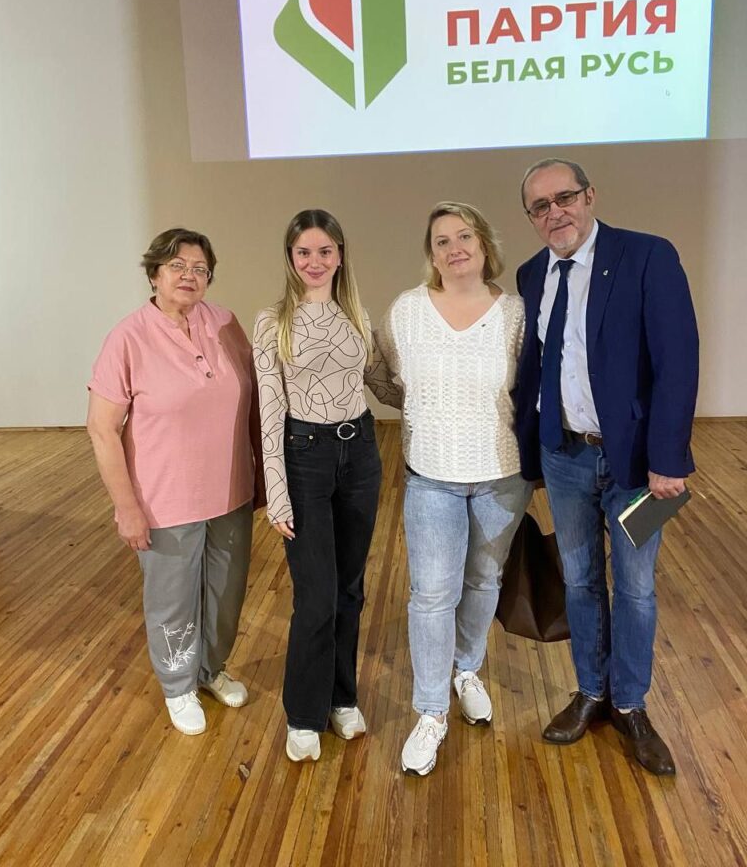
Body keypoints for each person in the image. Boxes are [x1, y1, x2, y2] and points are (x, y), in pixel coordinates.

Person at [515, 158, 698, 775]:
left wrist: (668, 460)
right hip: (564, 456)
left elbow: (677, 362)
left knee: (636, 586)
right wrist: (530, 454)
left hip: (637, 465)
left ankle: (630, 704)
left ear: (590, 196)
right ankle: (591, 691)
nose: (555, 213)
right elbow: (534, 370)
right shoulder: (532, 274)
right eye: (540, 206)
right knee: (580, 580)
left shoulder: (647, 256)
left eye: (564, 197)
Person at [375, 201, 532, 777]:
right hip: (431, 476)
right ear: (432, 254)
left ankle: (467, 670)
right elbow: (385, 377)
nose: (455, 248)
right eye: (442, 241)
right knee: (431, 595)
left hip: (502, 475)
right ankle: (431, 711)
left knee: (484, 579)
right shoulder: (407, 311)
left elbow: (530, 390)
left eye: (464, 236)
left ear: (484, 244)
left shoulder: (515, 314)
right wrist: (427, 414)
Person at [87, 228, 263, 735]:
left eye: (200, 269)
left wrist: (264, 476)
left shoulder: (225, 323)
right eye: (177, 266)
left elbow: (254, 399)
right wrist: (127, 508)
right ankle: (178, 684)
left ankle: (210, 669)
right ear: (155, 274)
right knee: (173, 599)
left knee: (226, 592)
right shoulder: (128, 337)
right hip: (164, 498)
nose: (189, 276)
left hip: (230, 489)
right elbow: (102, 429)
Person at [253, 209, 398, 763]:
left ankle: (342, 698)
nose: (314, 262)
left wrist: (441, 396)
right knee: (316, 595)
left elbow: (383, 384)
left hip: (359, 453)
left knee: (350, 589)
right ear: (290, 258)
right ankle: (304, 713)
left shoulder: (356, 314)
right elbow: (270, 409)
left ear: (340, 255)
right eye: (304, 253)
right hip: (305, 458)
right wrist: (277, 490)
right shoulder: (272, 322)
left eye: (325, 251)